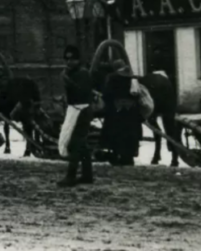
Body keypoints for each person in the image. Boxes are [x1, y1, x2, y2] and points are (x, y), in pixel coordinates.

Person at [58, 44, 94, 187]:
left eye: (72, 59)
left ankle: (71, 176)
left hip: (82, 110)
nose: (68, 62)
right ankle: (87, 175)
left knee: (75, 143)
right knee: (82, 144)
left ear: (78, 60)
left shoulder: (82, 73)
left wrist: (66, 80)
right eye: (66, 59)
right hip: (75, 109)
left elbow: (81, 92)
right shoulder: (73, 73)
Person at [100, 59, 143, 166]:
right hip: (132, 111)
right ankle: (129, 156)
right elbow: (137, 94)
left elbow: (107, 94)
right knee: (130, 134)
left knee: (116, 133)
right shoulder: (133, 77)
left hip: (117, 110)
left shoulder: (112, 77)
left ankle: (117, 155)